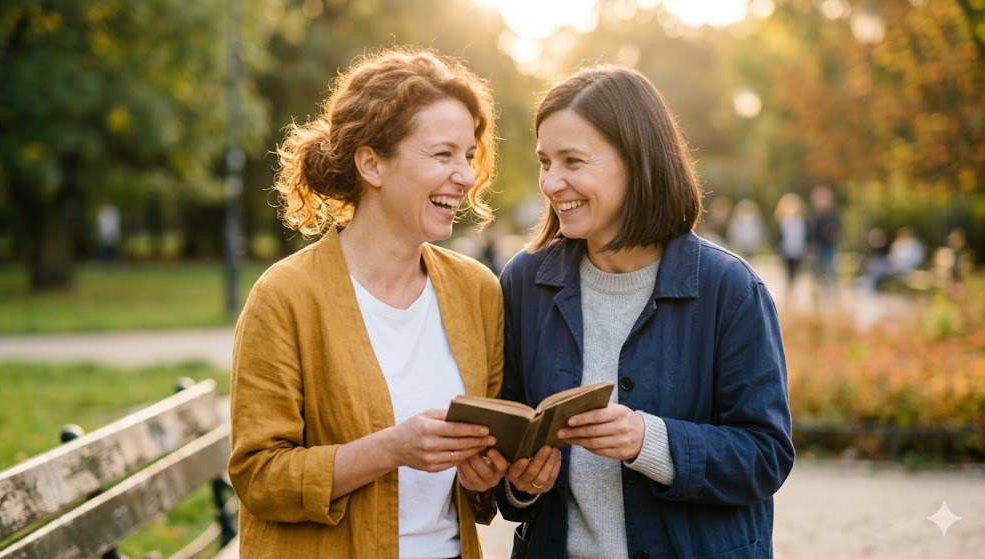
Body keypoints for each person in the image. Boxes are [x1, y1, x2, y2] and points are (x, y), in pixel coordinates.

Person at [496, 66, 794, 559]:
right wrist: (519, 483)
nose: (551, 183)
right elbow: (508, 453)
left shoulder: (730, 290)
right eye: (545, 162)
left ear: (637, 161)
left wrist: (647, 440)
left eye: (573, 161)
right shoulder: (525, 283)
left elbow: (765, 457)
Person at [227, 47, 509, 559]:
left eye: (468, 156)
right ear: (372, 164)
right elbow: (259, 477)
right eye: (443, 155)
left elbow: (478, 487)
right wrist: (391, 449)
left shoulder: (478, 291)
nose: (466, 177)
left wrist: (486, 476)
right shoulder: (286, 295)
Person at [774, 192, 807, 296]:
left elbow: (804, 237)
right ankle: (787, 294)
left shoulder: (801, 223)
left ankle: (793, 294)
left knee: (796, 274)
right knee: (787, 274)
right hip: (786, 252)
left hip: (798, 251)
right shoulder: (782, 223)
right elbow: (777, 238)